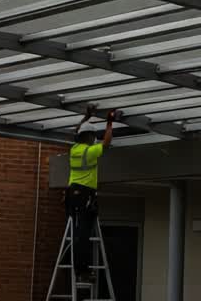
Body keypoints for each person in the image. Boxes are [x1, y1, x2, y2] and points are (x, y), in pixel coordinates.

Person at [66, 109, 117, 281]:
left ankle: (80, 269)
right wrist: (110, 122)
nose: (94, 139)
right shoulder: (89, 151)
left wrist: (87, 116)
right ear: (89, 137)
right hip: (85, 195)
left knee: (77, 231)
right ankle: (82, 270)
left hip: (72, 194)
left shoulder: (74, 148)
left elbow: (76, 129)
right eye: (92, 136)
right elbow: (107, 143)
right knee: (83, 234)